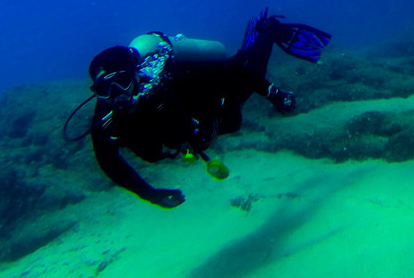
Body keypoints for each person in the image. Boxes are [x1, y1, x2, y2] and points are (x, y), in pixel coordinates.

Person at [85, 11, 331, 207]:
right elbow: (108, 161)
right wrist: (149, 194)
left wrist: (275, 95)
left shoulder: (169, 79)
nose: (116, 94)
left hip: (217, 95)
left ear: (135, 76)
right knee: (237, 83)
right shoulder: (105, 119)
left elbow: (234, 72)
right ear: (96, 91)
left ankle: (268, 30)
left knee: (248, 72)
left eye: (122, 81)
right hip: (197, 122)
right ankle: (250, 47)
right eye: (105, 88)